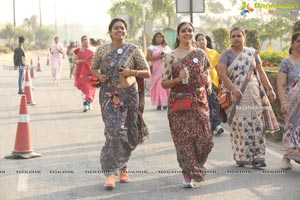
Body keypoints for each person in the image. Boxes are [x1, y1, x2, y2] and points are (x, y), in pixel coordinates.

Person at [91, 18, 150, 190]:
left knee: (128, 132)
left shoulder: (133, 50)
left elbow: (147, 72)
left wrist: (132, 72)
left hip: (129, 95)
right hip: (109, 96)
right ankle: (110, 172)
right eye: (116, 28)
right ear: (109, 32)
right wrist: (99, 76)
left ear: (126, 32)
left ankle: (123, 166)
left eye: (122, 28)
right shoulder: (101, 50)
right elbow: (94, 67)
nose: (119, 30)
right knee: (113, 131)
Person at [217, 27, 279, 168]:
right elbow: (222, 74)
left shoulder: (252, 53)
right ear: (230, 38)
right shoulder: (226, 55)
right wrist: (233, 89)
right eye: (233, 36)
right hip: (235, 96)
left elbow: (261, 72)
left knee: (257, 123)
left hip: (255, 93)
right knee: (240, 124)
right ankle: (242, 155)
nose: (236, 38)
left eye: (239, 35)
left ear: (244, 37)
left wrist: (270, 89)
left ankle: (259, 157)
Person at [161, 22, 213, 188]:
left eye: (190, 31)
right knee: (184, 140)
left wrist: (208, 82)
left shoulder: (200, 53)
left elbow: (208, 75)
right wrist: (177, 79)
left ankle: (195, 166)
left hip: (199, 101)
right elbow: (164, 83)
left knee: (206, 140)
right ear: (178, 35)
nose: (187, 33)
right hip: (180, 103)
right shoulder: (171, 56)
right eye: (183, 31)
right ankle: (188, 173)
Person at [277, 31, 300, 170]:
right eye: (298, 41)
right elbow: (281, 84)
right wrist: (283, 103)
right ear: (292, 43)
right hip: (292, 103)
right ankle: (286, 157)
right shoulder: (286, 62)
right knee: (290, 130)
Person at [195, 33, 224, 135]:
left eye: (203, 39)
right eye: (199, 40)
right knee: (204, 105)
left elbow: (219, 68)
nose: (202, 41)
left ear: (207, 41)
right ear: (196, 42)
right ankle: (210, 125)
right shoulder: (195, 53)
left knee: (213, 103)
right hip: (200, 83)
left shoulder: (214, 53)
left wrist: (222, 81)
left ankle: (215, 125)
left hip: (214, 82)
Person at [146, 32, 172, 110]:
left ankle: (164, 103)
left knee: (164, 85)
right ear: (154, 38)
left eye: (160, 37)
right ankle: (159, 103)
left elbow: (172, 56)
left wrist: (166, 55)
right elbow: (148, 58)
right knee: (158, 86)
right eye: (157, 37)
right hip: (155, 69)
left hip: (165, 69)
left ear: (163, 38)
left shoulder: (166, 47)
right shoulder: (151, 47)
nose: (159, 38)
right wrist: (160, 56)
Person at [73, 35, 96, 112]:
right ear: (82, 41)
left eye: (87, 39)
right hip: (80, 71)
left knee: (90, 87)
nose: (86, 41)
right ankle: (85, 105)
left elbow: (95, 61)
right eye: (84, 40)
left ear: (89, 41)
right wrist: (78, 61)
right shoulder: (78, 50)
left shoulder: (93, 50)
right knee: (83, 88)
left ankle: (89, 102)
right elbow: (74, 60)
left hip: (90, 71)